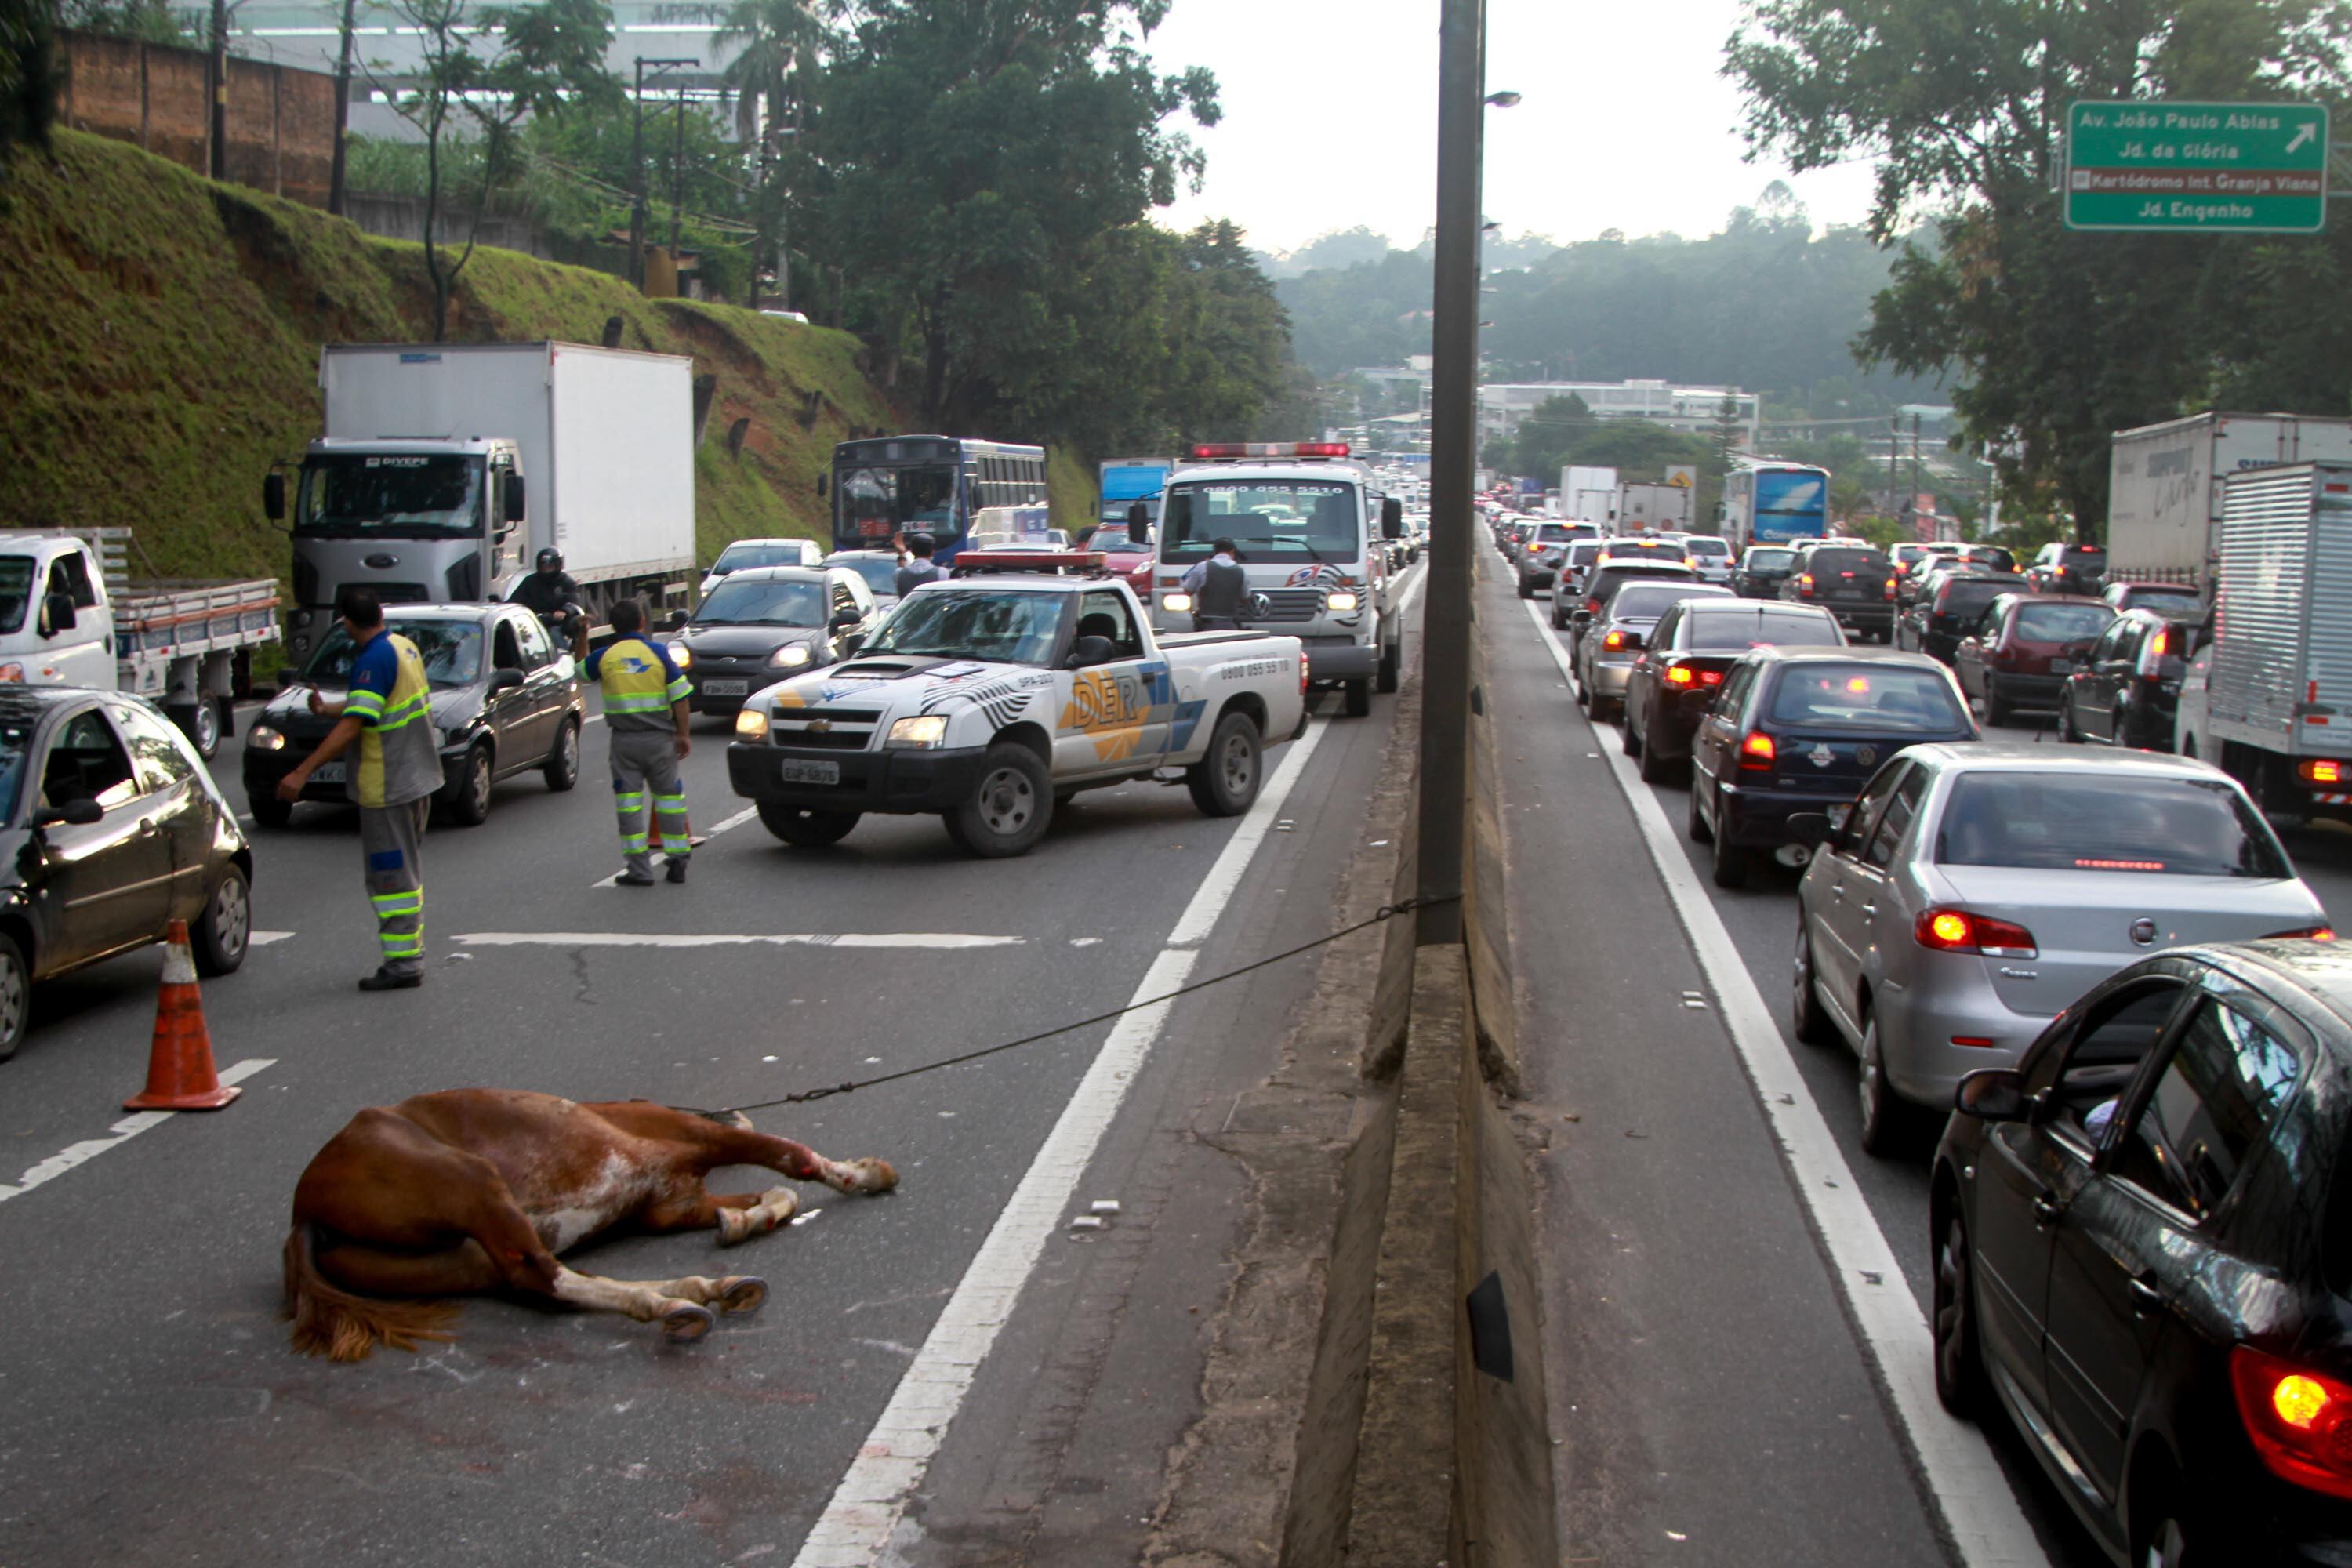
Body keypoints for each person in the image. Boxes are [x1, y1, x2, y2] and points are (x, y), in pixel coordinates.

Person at [276, 589, 441, 990]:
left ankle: (404, 963)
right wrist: (328, 709)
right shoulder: (403, 648)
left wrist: (302, 772)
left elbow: (355, 725)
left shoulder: (372, 659)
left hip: (388, 785)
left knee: (391, 880)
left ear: (347, 623)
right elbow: (370, 705)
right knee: (405, 874)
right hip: (418, 778)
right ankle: (408, 956)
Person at [583, 597, 692, 887]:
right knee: (669, 800)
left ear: (612, 627)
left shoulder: (605, 656)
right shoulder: (657, 652)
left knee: (629, 807)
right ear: (642, 623)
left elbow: (580, 670)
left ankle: (639, 871)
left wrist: (581, 635)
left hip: (624, 743)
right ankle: (678, 860)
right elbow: (680, 697)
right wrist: (683, 734)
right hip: (660, 741)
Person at [1181, 536, 1248, 630]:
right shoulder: (1241, 571)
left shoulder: (1202, 567)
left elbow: (1187, 591)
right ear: (1233, 551)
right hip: (1231, 626)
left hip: (1206, 625)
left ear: (1215, 551)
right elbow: (1245, 598)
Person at [509, 548, 584, 631]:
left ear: (558, 566)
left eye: (549, 567)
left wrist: (564, 611)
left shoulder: (567, 582)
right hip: (534, 623)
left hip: (557, 625)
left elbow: (573, 601)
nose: (546, 570)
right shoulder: (530, 581)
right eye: (543, 567)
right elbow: (516, 599)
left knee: (555, 633)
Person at [895, 533, 944, 598]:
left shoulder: (899, 573)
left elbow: (901, 570)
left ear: (912, 551)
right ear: (933, 551)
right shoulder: (942, 572)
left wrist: (901, 553)